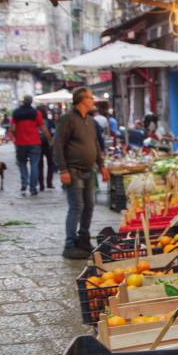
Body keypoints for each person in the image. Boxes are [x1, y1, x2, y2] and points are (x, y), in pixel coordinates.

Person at [54, 87, 109, 259]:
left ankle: (84, 239)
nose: (93, 101)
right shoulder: (67, 119)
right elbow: (57, 146)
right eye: (90, 98)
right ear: (81, 100)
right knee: (76, 207)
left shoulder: (91, 121)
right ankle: (69, 245)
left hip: (88, 170)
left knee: (89, 206)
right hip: (73, 170)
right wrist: (63, 169)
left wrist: (101, 166)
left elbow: (96, 145)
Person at [11, 96, 52, 196]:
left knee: (22, 163)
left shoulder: (16, 112)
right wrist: (50, 139)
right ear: (31, 102)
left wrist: (17, 136)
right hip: (34, 142)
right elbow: (43, 127)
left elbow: (12, 128)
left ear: (23, 102)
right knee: (34, 165)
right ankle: (33, 188)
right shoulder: (36, 113)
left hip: (21, 143)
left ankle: (24, 183)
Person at [36, 105, 55, 190]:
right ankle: (49, 183)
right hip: (48, 143)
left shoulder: (35, 122)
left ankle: (41, 185)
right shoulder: (49, 121)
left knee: (39, 165)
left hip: (37, 144)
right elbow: (53, 132)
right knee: (50, 164)